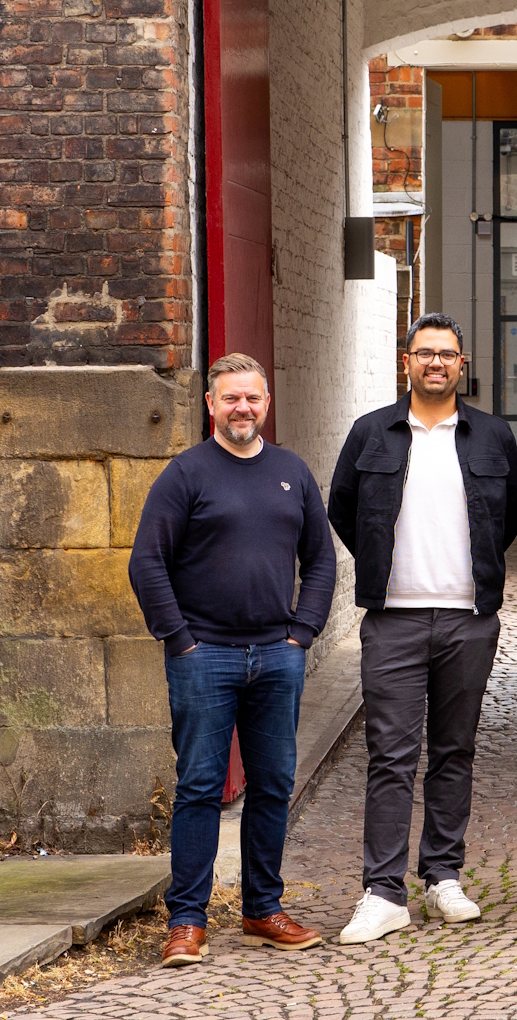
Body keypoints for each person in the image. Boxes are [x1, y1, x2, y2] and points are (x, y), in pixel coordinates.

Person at [324, 313, 517, 944]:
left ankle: (443, 876)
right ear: (405, 362)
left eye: (447, 353)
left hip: (470, 618)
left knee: (454, 749)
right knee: (390, 754)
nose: (435, 363)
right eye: (424, 353)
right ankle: (382, 892)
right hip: (394, 619)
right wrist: (388, 568)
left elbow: (511, 512)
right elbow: (343, 508)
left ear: (462, 364)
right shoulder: (371, 434)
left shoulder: (493, 436)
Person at [128, 353, 335, 964]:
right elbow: (147, 562)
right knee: (198, 787)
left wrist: (303, 633)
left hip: (278, 654)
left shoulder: (292, 472)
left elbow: (321, 559)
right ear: (211, 405)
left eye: (252, 398)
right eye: (230, 399)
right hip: (205, 657)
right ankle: (187, 921)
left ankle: (262, 909)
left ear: (266, 403)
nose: (242, 408)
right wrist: (180, 640)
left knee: (273, 784)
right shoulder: (185, 474)